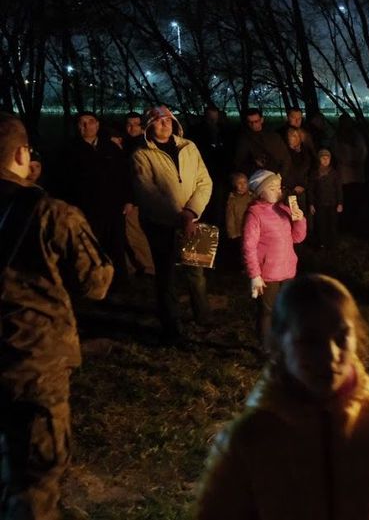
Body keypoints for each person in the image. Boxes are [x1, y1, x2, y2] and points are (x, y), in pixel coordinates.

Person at [195, 274, 369, 519]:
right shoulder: (249, 438)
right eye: (310, 340)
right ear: (279, 344)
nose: (329, 355)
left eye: (341, 338)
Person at [1, 113, 114, 520]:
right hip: (33, 364)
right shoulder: (50, 213)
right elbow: (96, 281)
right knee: (36, 475)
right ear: (21, 154)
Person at [131, 106, 214, 342]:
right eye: (158, 121)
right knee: (165, 274)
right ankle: (172, 323)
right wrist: (179, 216)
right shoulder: (142, 154)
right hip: (161, 224)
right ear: (149, 126)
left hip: (192, 219)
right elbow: (147, 192)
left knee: (195, 271)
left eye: (168, 120)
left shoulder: (189, 147)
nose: (164, 124)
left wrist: (191, 211)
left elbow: (204, 181)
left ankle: (203, 316)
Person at [59, 111, 132, 280]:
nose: (87, 126)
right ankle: (94, 281)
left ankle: (119, 280)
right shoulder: (69, 151)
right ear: (77, 126)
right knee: (90, 246)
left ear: (97, 125)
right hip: (85, 208)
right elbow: (63, 181)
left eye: (90, 121)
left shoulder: (111, 148)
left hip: (113, 207)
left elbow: (124, 175)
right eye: (82, 123)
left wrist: (128, 200)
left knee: (116, 244)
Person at [243, 170, 307, 346]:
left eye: (278, 187)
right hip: (268, 274)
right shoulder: (254, 215)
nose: (277, 191)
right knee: (267, 311)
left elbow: (297, 237)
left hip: (287, 270)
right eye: (271, 188)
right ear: (260, 191)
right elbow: (249, 247)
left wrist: (299, 220)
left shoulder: (284, 209)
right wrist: (254, 275)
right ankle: (266, 347)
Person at [233, 107, 290, 178]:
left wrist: (281, 176)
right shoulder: (244, 139)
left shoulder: (273, 136)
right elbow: (239, 162)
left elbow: (285, 158)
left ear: (261, 120)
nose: (253, 125)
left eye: (256, 121)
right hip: (256, 177)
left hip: (277, 175)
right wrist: (253, 163)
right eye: (250, 122)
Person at [333, 113, 368, 222]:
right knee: (346, 198)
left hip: (355, 174)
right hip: (344, 175)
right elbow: (336, 152)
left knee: (356, 198)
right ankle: (347, 220)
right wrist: (346, 162)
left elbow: (363, 151)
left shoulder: (356, 136)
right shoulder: (337, 137)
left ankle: (355, 220)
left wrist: (357, 161)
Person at [308, 149, 343, 248]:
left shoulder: (334, 173)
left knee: (332, 225)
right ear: (319, 159)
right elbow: (311, 189)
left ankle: (332, 243)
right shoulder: (314, 173)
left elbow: (339, 189)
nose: (325, 160)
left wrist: (340, 203)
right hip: (319, 204)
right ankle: (321, 243)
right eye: (323, 158)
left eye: (327, 158)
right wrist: (311, 204)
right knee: (320, 224)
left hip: (332, 203)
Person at [283, 126, 313, 212]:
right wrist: (292, 186)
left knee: (302, 218)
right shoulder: (284, 152)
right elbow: (285, 171)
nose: (291, 137)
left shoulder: (306, 152)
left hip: (303, 190)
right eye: (290, 135)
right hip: (290, 190)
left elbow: (308, 170)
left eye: (294, 135)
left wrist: (304, 185)